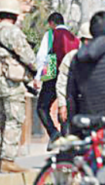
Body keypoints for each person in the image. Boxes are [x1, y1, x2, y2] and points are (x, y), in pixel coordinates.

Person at [0, 0, 38, 173]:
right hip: (11, 82)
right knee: (14, 120)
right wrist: (36, 70)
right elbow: (29, 58)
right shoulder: (14, 32)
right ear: (14, 15)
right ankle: (7, 159)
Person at [34, 12, 80, 148]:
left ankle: (54, 133)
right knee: (65, 106)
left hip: (53, 74)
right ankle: (65, 142)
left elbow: (42, 56)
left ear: (51, 23)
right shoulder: (75, 39)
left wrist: (37, 77)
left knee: (42, 107)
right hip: (69, 76)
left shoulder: (50, 35)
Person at [55, 22, 92, 134]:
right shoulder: (72, 56)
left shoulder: (100, 57)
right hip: (73, 102)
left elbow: (48, 56)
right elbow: (62, 82)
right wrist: (62, 105)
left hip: (89, 105)